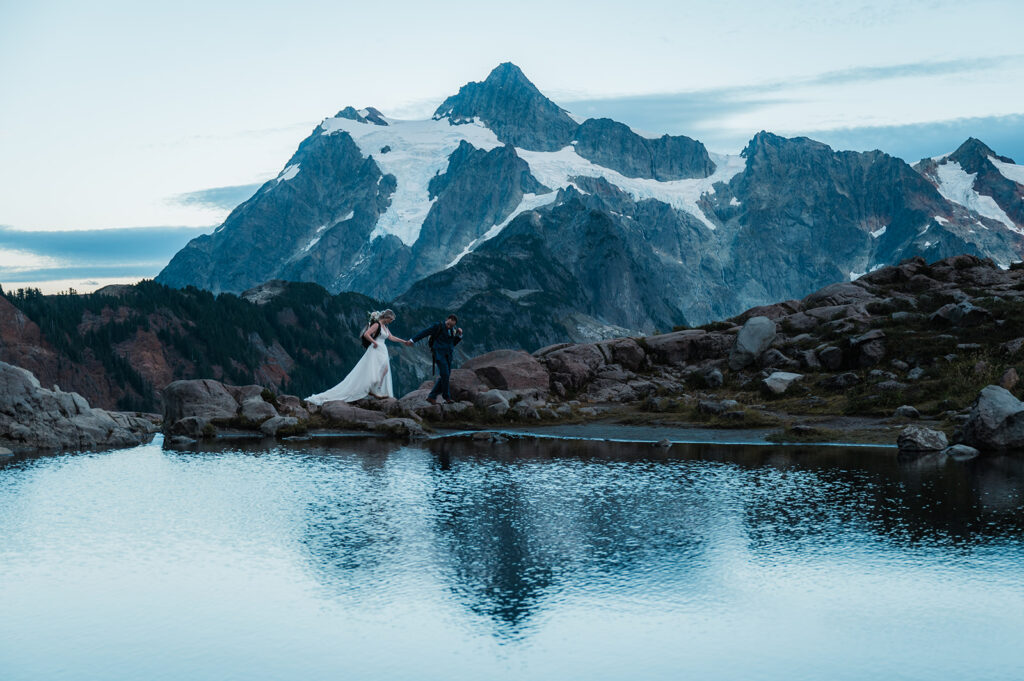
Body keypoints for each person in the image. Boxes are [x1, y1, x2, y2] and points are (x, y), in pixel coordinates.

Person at [306, 309, 413, 404]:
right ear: (387, 317)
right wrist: (373, 342)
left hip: (382, 349)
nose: (391, 321)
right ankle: (375, 389)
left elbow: (391, 337)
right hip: (376, 349)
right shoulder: (377, 325)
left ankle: (376, 388)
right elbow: (366, 334)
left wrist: (404, 342)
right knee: (377, 369)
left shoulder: (385, 327)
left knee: (384, 369)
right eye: (391, 319)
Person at [411, 314, 463, 404]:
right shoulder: (437, 326)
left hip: (448, 356)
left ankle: (432, 396)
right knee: (445, 375)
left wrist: (459, 335)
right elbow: (424, 332)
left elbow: (452, 343)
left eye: (452, 325)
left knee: (444, 376)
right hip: (439, 354)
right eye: (449, 324)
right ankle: (447, 397)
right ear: (447, 319)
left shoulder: (452, 330)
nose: (449, 326)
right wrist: (412, 340)